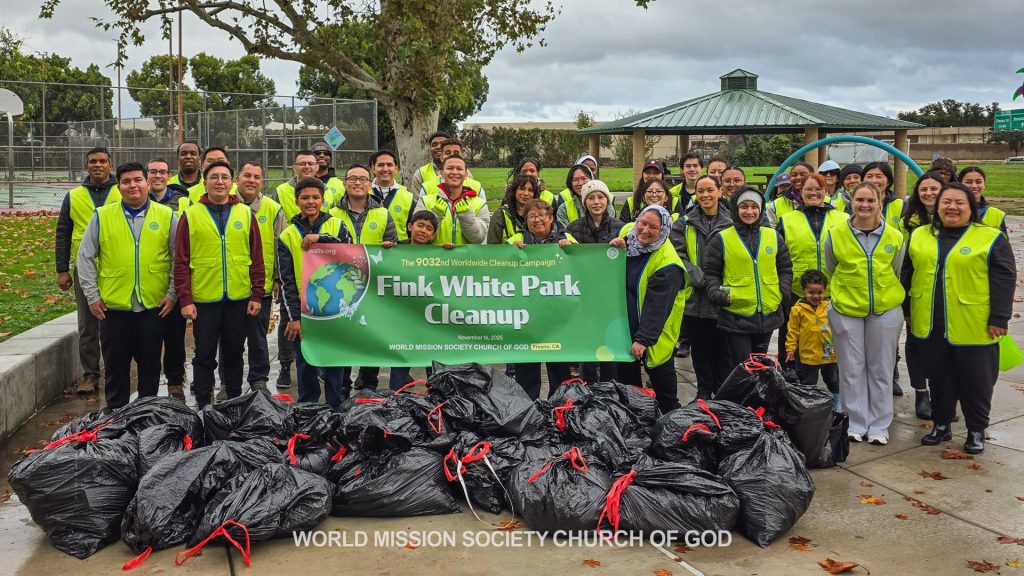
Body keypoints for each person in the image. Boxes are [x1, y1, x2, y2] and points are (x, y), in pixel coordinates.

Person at [906, 183, 1015, 454]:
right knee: (939, 379)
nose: (952, 207)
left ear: (971, 207)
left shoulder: (990, 237)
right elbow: (908, 273)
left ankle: (976, 430)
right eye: (946, 202)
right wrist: (907, 310)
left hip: (974, 323)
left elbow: (1004, 278)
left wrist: (1000, 317)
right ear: (937, 206)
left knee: (976, 382)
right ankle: (941, 425)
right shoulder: (920, 235)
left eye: (959, 203)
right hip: (930, 323)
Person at [77, 162, 176, 409]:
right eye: (126, 181)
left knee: (150, 367)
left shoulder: (167, 216)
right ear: (118, 186)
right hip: (113, 308)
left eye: (137, 180)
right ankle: (116, 415)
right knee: (116, 367)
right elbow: (85, 257)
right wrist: (92, 297)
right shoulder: (102, 216)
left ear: (147, 183)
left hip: (153, 305)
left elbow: (179, 258)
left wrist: (172, 293)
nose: (133, 185)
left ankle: (147, 413)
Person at [174, 161, 265, 408]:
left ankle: (233, 402)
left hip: (238, 298)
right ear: (205, 183)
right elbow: (181, 261)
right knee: (204, 355)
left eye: (225, 177)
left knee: (234, 353)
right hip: (204, 299)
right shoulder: (191, 215)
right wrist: (185, 299)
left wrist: (257, 295)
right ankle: (204, 403)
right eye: (214, 177)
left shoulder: (245, 214)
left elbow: (256, 258)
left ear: (232, 182)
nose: (220, 182)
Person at [824, 181, 905, 445]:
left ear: (880, 202)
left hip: (885, 308)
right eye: (860, 199)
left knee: (881, 368)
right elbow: (831, 266)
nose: (865, 205)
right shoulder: (835, 234)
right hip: (846, 308)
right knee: (851, 368)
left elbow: (896, 269)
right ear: (851, 201)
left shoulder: (894, 236)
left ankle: (880, 425)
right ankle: (856, 422)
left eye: (871, 200)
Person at [277, 177, 352, 407]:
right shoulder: (287, 235)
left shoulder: (337, 225)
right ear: (296, 201)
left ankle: (335, 406)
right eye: (305, 197)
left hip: (334, 307)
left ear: (323, 200)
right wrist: (294, 318)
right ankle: (307, 407)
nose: (310, 201)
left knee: (334, 361)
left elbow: (350, 252)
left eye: (315, 197)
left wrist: (320, 239)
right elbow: (286, 281)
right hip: (304, 309)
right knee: (305, 362)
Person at [609, 205, 688, 413]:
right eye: (642, 223)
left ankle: (672, 419)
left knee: (662, 377)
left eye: (653, 227)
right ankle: (636, 418)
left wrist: (643, 339)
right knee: (628, 386)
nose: (644, 230)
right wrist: (615, 246)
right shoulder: (628, 234)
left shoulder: (668, 264)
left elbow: (658, 307)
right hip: (626, 325)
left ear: (663, 230)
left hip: (656, 331)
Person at [55, 146, 120, 396]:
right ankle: (90, 374)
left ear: (110, 165)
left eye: (103, 161)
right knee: (87, 325)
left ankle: (116, 370)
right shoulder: (73, 196)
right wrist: (62, 269)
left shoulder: (122, 190)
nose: (98, 165)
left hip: (117, 268)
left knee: (118, 324)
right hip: (85, 270)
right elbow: (63, 233)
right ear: (86, 166)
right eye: (93, 161)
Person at [703, 186, 793, 366]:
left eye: (754, 206)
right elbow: (711, 273)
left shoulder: (773, 236)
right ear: (735, 209)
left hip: (768, 312)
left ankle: (756, 387)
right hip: (737, 313)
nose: (749, 211)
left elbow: (785, 268)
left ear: (760, 209)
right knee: (742, 366)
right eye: (744, 206)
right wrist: (719, 295)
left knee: (759, 366)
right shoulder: (721, 238)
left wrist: (782, 291)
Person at [331, 163, 398, 391]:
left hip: (373, 283)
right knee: (344, 333)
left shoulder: (383, 213)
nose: (357, 183)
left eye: (362, 179)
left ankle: (368, 381)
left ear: (370, 184)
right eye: (352, 179)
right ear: (344, 183)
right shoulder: (333, 214)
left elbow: (394, 246)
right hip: (343, 283)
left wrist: (390, 247)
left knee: (371, 332)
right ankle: (342, 382)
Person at [670, 175, 733, 399]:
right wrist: (700, 278)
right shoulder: (684, 223)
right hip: (695, 300)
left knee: (724, 351)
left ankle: (723, 395)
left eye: (710, 190)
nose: (705, 195)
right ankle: (704, 392)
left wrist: (717, 283)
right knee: (700, 350)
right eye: (700, 191)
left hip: (723, 298)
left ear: (720, 192)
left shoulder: (732, 222)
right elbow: (677, 255)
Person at [506, 200, 576, 399]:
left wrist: (571, 249)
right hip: (527, 315)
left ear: (551, 217)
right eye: (531, 216)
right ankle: (529, 407)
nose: (537, 220)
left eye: (541, 215)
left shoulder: (566, 237)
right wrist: (510, 253)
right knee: (526, 370)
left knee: (559, 370)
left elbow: (582, 262)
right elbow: (500, 264)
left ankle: (559, 406)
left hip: (557, 316)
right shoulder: (516, 239)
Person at [777, 173, 849, 360]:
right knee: (792, 335)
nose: (813, 193)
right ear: (801, 191)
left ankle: (831, 370)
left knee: (831, 338)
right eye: (808, 189)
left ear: (826, 191)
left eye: (818, 189)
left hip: (833, 291)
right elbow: (778, 257)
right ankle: (790, 369)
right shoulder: (787, 220)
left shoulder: (843, 219)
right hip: (797, 291)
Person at [234, 161, 285, 395]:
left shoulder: (273, 209)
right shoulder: (225, 205)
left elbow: (281, 246)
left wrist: (277, 278)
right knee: (230, 339)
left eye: (257, 177)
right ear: (237, 179)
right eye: (247, 175)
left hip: (261, 287)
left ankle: (259, 379)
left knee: (258, 338)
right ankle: (229, 381)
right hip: (230, 286)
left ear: (262, 182)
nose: (251, 180)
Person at [567, 180, 623, 384]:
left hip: (611, 300)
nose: (596, 202)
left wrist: (623, 245)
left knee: (610, 348)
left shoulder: (620, 228)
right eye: (591, 198)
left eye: (600, 197)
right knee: (587, 350)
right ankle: (587, 388)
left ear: (607, 200)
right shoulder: (573, 228)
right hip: (584, 299)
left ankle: (610, 389)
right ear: (585, 202)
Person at [900, 171, 946, 419]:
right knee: (916, 345)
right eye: (923, 189)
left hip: (948, 299)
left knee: (945, 348)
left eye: (934, 188)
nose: (929, 193)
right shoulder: (911, 223)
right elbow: (906, 268)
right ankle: (921, 392)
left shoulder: (956, 221)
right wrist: (905, 306)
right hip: (918, 296)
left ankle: (944, 395)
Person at [147, 158, 190, 400]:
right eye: (153, 172)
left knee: (175, 336)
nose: (157, 176)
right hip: (147, 283)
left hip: (175, 279)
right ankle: (150, 383)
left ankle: (175, 380)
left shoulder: (183, 202)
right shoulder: (138, 200)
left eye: (162, 172)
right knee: (149, 339)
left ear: (169, 175)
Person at [785, 270, 841, 414]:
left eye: (820, 292)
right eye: (811, 292)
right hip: (807, 355)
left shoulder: (830, 306)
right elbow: (793, 331)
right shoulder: (797, 310)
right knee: (808, 383)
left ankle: (837, 402)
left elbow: (838, 326)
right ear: (803, 290)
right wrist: (790, 349)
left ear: (825, 290)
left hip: (829, 353)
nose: (816, 296)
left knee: (833, 380)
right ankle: (810, 406)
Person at [414, 154, 490, 245]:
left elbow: (478, 239)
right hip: (434, 254)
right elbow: (417, 237)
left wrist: (466, 216)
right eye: (450, 168)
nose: (454, 172)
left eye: (459, 169)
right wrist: (435, 216)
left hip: (466, 255)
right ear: (442, 173)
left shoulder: (480, 204)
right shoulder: (425, 202)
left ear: (466, 175)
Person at [419, 138, 486, 201]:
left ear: (462, 156)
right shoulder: (427, 188)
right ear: (441, 157)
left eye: (456, 153)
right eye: (447, 153)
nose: (452, 155)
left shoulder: (477, 187)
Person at [370, 150, 415, 241]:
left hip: (399, 248)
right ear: (373, 168)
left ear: (396, 168)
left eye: (389, 165)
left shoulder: (408, 196)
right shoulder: (364, 192)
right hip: (370, 248)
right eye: (381, 165)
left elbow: (412, 228)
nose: (385, 169)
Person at [487, 174, 541, 245]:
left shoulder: (540, 215)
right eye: (522, 189)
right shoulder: (500, 215)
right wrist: (510, 247)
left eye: (531, 190)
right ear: (514, 191)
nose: (526, 193)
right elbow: (492, 248)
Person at [959, 166, 1007, 236]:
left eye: (978, 182)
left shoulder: (997, 215)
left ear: (984, 185)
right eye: (968, 182)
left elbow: (1003, 241)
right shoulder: (952, 210)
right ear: (960, 185)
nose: (974, 186)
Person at [275, 150, 322, 221]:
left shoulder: (328, 192)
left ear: (317, 167)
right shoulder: (280, 191)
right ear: (294, 168)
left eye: (311, 163)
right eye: (302, 164)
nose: (307, 166)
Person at [408, 130, 450, 202]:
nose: (438, 147)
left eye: (443, 144)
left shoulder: (462, 172)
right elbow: (417, 202)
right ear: (430, 149)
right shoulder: (420, 173)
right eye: (434, 145)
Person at [554, 164, 593, 229]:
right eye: (575, 180)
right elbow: (565, 233)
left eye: (584, 178)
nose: (580, 183)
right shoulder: (563, 209)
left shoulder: (604, 204)